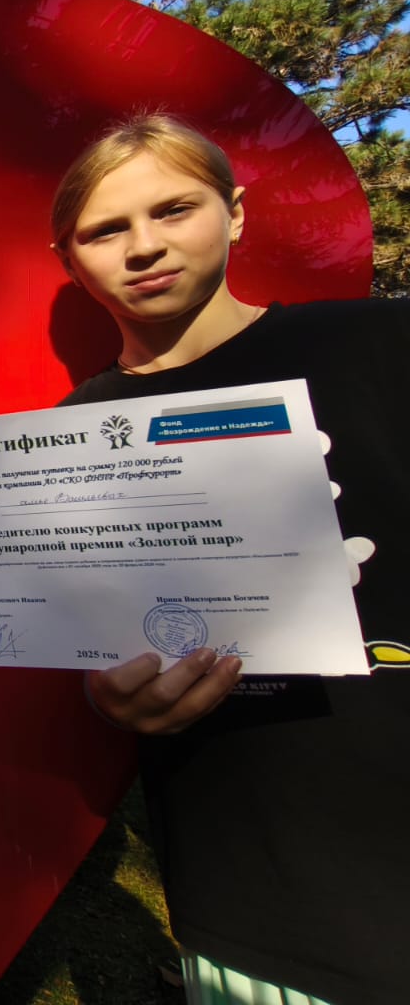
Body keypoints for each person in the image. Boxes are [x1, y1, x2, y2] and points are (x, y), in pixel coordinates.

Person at [51, 115, 410, 1005]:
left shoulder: (380, 347)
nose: (144, 247)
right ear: (71, 260)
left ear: (236, 212)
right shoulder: (72, 433)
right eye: (105, 229)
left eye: (174, 209)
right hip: (254, 901)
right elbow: (94, 636)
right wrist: (109, 699)